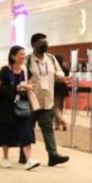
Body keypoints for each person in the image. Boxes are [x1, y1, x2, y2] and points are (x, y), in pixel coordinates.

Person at [0, 46, 39, 170]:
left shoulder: (25, 70)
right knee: (6, 131)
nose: (23, 56)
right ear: (13, 56)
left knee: (26, 130)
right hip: (7, 106)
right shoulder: (6, 70)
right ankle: (5, 158)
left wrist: (28, 87)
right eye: (20, 54)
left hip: (22, 104)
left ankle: (29, 159)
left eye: (24, 54)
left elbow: (31, 83)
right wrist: (17, 87)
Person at [26, 34, 69, 166]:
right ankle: (25, 155)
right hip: (32, 99)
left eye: (46, 42)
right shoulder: (28, 60)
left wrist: (62, 77)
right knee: (28, 128)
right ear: (33, 44)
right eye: (41, 43)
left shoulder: (51, 58)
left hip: (48, 99)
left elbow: (59, 72)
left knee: (48, 128)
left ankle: (53, 155)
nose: (44, 45)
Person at [53, 55, 70, 131]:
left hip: (56, 89)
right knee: (61, 107)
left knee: (55, 107)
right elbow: (67, 78)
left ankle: (62, 121)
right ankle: (58, 124)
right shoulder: (66, 69)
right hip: (64, 89)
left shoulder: (54, 69)